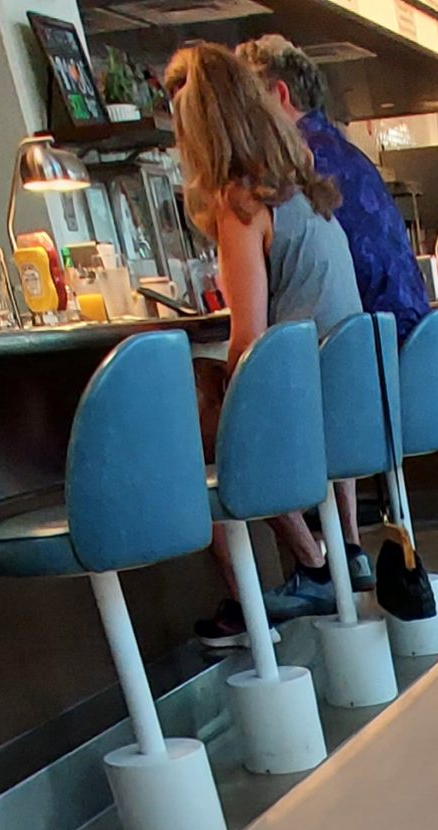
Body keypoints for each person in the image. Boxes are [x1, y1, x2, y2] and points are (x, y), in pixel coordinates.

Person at [166, 42, 362, 638]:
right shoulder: (305, 189)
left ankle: (297, 574)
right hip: (351, 393)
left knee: (190, 425)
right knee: (216, 406)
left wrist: (220, 392)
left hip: (310, 405)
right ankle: (341, 550)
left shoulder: (240, 201)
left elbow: (248, 340)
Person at [237, 34, 427, 347]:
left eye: (250, 105)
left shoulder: (297, 166)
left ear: (280, 94)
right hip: (406, 346)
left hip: (367, 356)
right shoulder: (351, 155)